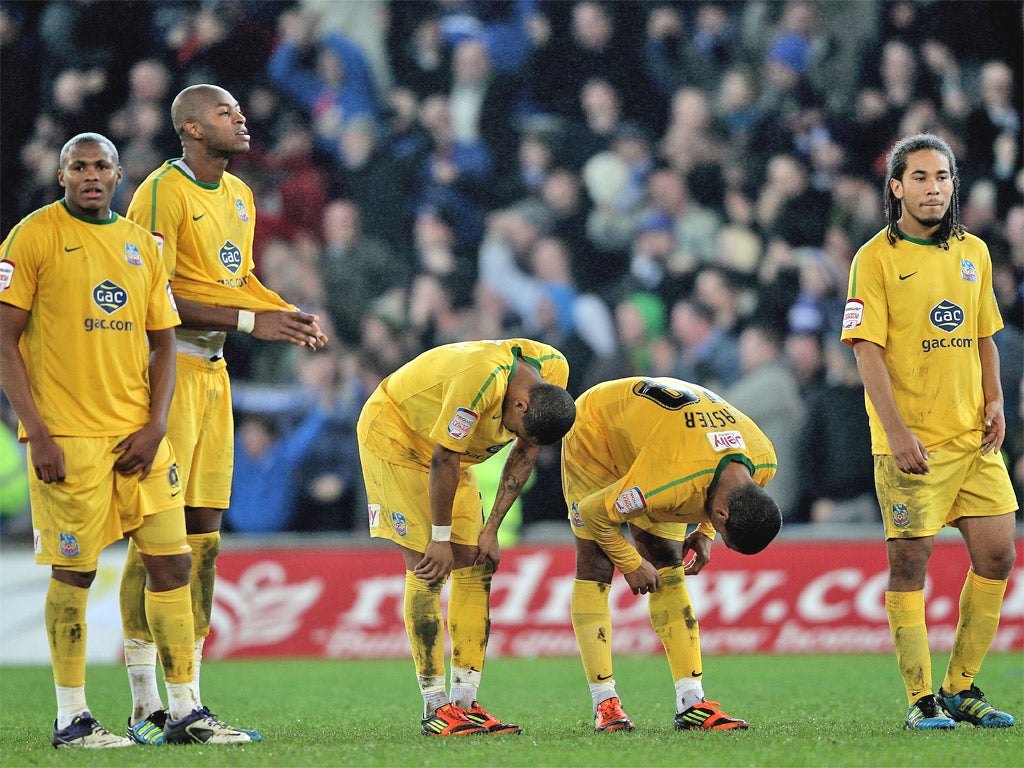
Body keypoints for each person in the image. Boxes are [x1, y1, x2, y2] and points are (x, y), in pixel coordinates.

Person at [0, 132, 248, 746]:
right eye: (78, 166)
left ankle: (184, 708)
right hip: (69, 438)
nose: (90, 175)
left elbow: (165, 341)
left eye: (101, 166)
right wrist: (38, 433)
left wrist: (156, 423)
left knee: (173, 562)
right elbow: (4, 339)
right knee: (76, 574)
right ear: (61, 175)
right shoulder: (32, 236)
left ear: (117, 177)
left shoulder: (142, 246)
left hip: (138, 437)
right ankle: (72, 718)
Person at [118, 84, 328, 744]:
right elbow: (153, 288)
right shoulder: (160, 191)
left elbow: (237, 281)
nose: (240, 119)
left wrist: (281, 312)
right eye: (224, 112)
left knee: (205, 535)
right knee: (159, 536)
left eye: (240, 110)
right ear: (191, 129)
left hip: (213, 376)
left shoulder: (239, 195)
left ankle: (192, 695)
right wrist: (249, 319)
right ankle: (150, 701)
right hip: (165, 368)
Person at [841, 133, 1017, 730]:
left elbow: (982, 335)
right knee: (909, 567)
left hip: (974, 439)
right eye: (919, 177)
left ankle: (961, 687)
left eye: (942, 177)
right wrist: (896, 434)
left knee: (998, 557)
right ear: (896, 188)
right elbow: (866, 350)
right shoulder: (875, 258)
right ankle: (921, 701)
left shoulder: (975, 251)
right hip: (911, 443)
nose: (933, 188)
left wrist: (995, 399)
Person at [357, 339, 576, 736]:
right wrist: (439, 538)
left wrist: (490, 528)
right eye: (514, 426)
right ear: (521, 405)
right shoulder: (481, 379)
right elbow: (443, 457)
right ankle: (435, 708)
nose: (509, 432)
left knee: (478, 562)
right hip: (399, 438)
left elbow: (525, 451)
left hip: (454, 452)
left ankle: (465, 702)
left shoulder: (552, 375)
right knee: (428, 565)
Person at [562, 376, 782, 733]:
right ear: (723, 512)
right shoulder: (670, 482)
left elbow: (722, 494)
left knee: (668, 563)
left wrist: (708, 531)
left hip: (665, 441)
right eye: (723, 530)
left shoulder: (764, 463)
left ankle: (692, 702)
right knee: (595, 562)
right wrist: (630, 562)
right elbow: (592, 513)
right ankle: (606, 704)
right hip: (598, 429)